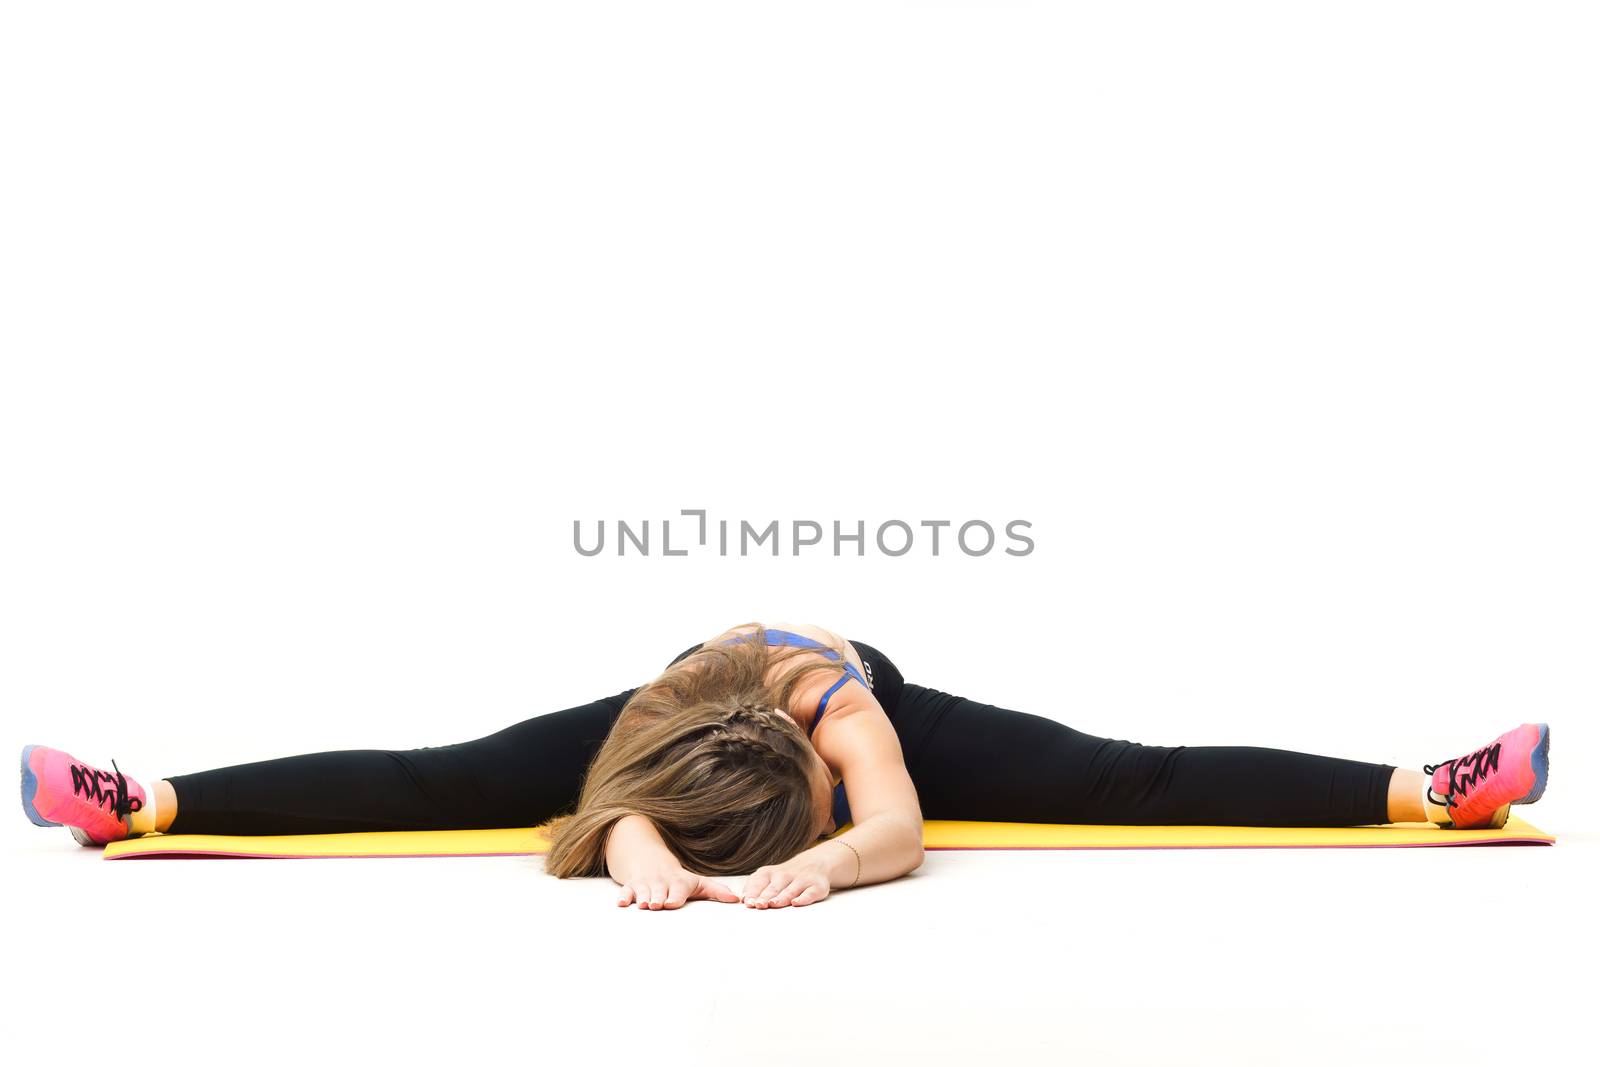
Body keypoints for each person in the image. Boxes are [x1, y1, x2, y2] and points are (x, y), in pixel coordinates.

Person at [20, 621, 1551, 910]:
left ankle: (1427, 780)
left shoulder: (855, 726)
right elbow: (596, 808)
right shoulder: (647, 723)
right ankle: (147, 794)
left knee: (1120, 768)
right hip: (690, 711)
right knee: (448, 771)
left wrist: (827, 856)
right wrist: (643, 853)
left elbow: (896, 831)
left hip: (862, 679)